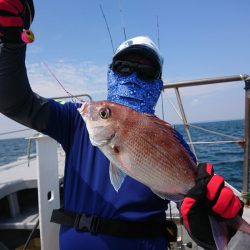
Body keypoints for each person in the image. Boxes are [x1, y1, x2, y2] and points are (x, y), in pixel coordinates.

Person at [0, 1, 244, 250]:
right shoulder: (75, 120)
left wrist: (204, 221)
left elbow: (189, 202)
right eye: (123, 68)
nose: (133, 78)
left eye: (146, 72)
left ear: (157, 85)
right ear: (111, 74)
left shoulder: (170, 139)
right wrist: (11, 43)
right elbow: (13, 102)